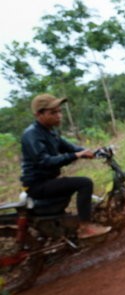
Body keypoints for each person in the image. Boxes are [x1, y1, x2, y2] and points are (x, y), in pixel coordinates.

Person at [20, 94, 111, 239]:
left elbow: (71, 148)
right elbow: (45, 161)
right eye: (53, 112)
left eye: (59, 111)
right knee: (84, 183)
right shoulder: (32, 135)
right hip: (37, 184)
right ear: (39, 114)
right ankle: (85, 227)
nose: (59, 115)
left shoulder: (49, 131)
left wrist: (94, 153)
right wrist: (76, 156)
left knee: (75, 184)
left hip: (46, 181)